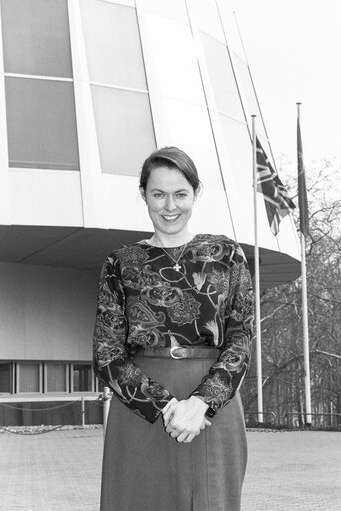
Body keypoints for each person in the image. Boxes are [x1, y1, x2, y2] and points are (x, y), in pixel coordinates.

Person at [93, 146, 254, 511]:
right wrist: (166, 407)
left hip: (214, 409)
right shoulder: (120, 263)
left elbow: (241, 336)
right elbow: (106, 352)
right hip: (140, 409)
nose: (170, 206)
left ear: (195, 193)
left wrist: (201, 404)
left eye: (180, 194)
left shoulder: (227, 255)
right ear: (144, 195)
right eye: (158, 194)